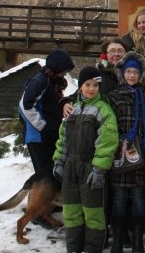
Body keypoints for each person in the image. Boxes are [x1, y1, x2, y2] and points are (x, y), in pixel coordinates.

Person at [52, 66, 119, 253]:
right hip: (71, 167)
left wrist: (99, 169)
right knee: (71, 210)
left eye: (96, 85)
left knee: (93, 212)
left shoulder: (103, 110)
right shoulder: (73, 109)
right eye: (87, 84)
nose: (92, 89)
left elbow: (107, 141)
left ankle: (93, 248)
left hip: (90, 166)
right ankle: (73, 247)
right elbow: (63, 138)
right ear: (80, 86)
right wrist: (59, 161)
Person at [107, 52, 145, 253]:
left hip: (140, 156)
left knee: (138, 201)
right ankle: (118, 241)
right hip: (120, 155)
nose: (132, 76)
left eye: (136, 72)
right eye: (128, 71)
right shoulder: (113, 96)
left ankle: (138, 241)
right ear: (122, 73)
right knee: (118, 201)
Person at [19, 48, 75, 173]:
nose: (65, 73)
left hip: (48, 134)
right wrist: (43, 126)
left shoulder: (52, 83)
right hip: (38, 137)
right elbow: (25, 106)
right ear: (58, 67)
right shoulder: (39, 82)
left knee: (51, 172)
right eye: (64, 70)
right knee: (44, 175)